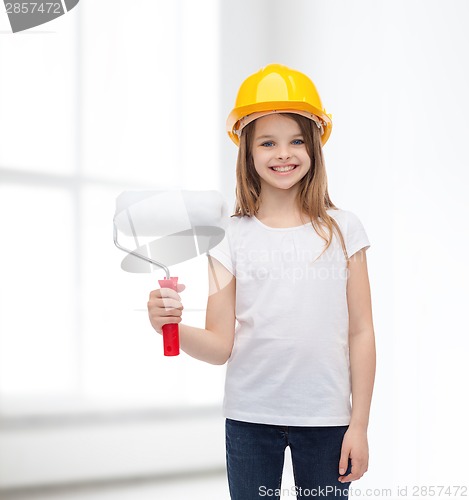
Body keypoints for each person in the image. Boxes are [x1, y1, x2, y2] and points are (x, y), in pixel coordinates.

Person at [147, 63, 376, 499]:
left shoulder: (345, 230)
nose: (283, 153)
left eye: (296, 141)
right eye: (267, 142)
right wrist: (169, 325)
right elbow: (219, 345)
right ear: (247, 152)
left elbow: (362, 331)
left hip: (328, 420)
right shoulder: (229, 237)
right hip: (251, 419)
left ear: (314, 148)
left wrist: (359, 424)